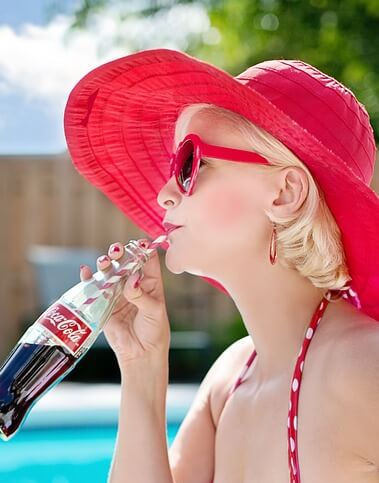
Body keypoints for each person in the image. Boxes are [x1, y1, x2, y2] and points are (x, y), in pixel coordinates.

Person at [64, 49, 379, 483]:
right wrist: (141, 368)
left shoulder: (365, 366)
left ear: (285, 194)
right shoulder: (229, 380)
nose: (164, 195)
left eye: (189, 164)